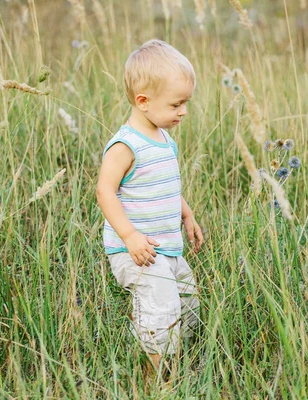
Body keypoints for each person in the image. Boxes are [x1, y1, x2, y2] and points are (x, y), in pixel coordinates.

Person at [96, 39, 204, 376]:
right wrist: (130, 237)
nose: (183, 111)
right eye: (176, 104)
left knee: (188, 304)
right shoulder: (125, 145)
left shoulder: (163, 139)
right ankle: (159, 379)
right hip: (138, 250)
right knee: (162, 313)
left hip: (167, 246)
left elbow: (167, 184)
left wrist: (186, 214)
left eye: (185, 103)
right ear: (143, 101)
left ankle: (172, 361)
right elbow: (105, 192)